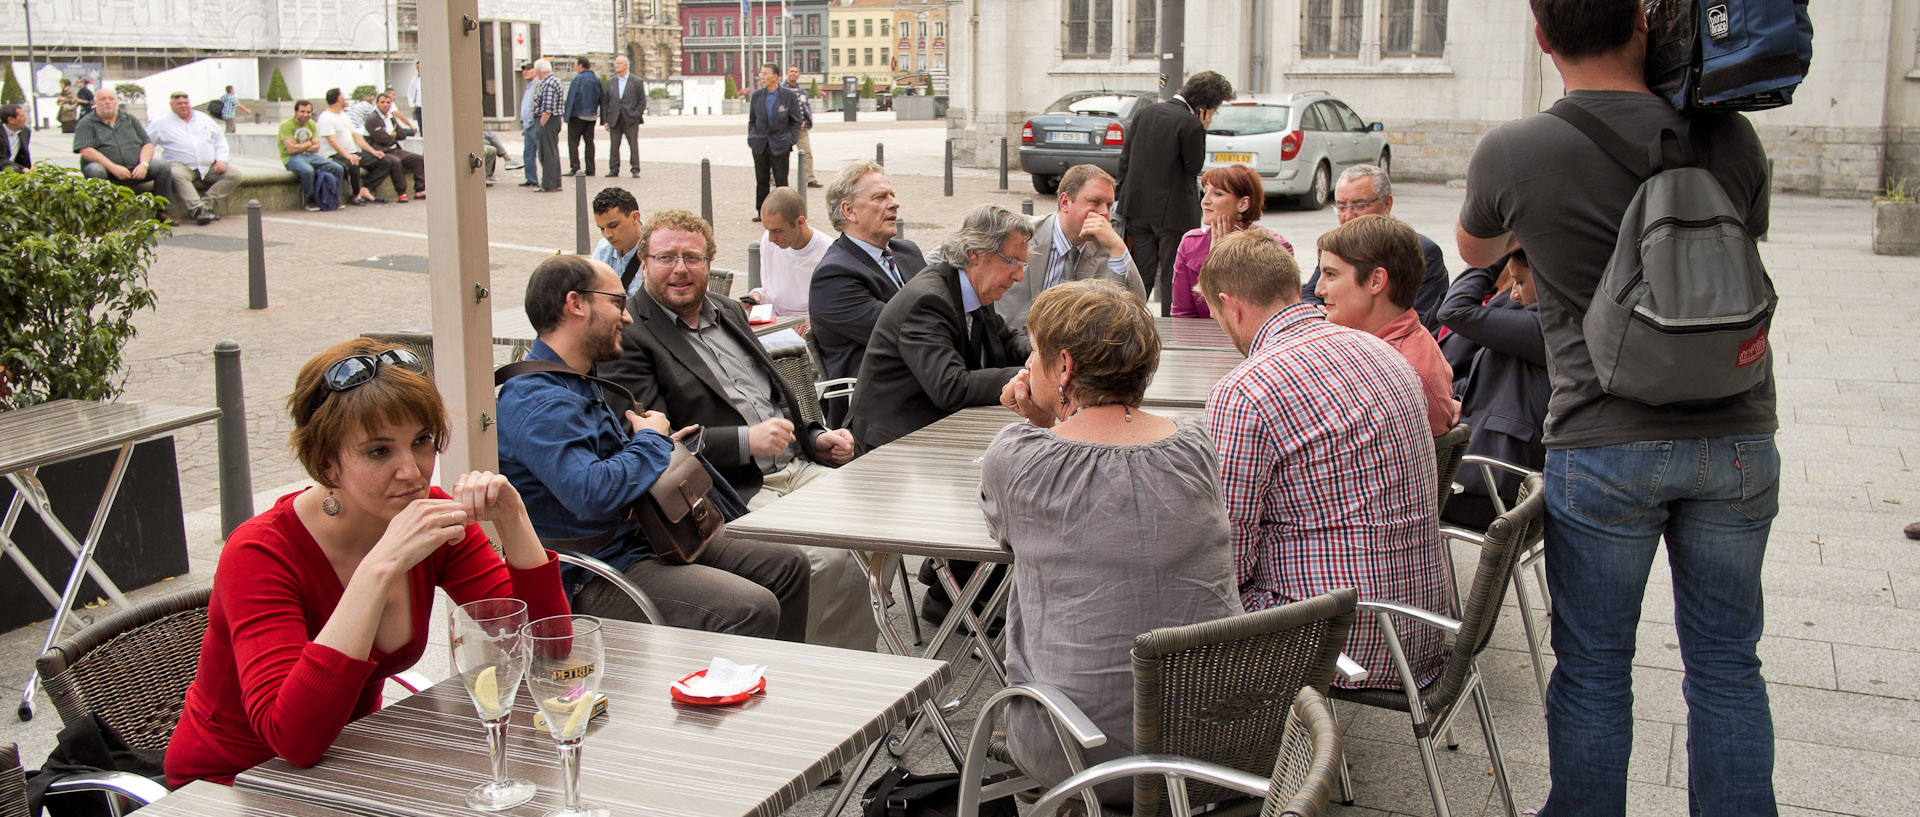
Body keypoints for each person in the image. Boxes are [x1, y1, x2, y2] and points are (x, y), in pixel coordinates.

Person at [1455, 1, 1777, 812]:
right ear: (1646, 20)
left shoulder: (1515, 150)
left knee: (1594, 664)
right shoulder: (1730, 136)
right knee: (1728, 663)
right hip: (1737, 432)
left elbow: (1476, 251)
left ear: (1542, 37)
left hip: (1603, 438)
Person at [162, 338, 569, 786]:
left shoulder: (430, 518)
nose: (412, 471)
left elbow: (547, 654)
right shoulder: (260, 552)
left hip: (350, 763)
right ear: (327, 464)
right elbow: (292, 740)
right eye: (379, 451)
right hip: (230, 786)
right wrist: (382, 566)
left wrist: (514, 519)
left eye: (422, 442)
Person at [986, 279, 1241, 803]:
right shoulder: (1195, 444)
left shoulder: (1018, 459)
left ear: (1064, 368)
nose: (1028, 366)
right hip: (1221, 738)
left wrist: (1039, 423)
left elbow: (1002, 526)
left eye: (1034, 353)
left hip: (1080, 748)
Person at [496, 254, 811, 639]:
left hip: (643, 540)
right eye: (617, 303)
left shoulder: (577, 380)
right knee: (749, 608)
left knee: (789, 564)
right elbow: (590, 493)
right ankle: (726, 689)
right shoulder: (538, 400)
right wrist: (651, 441)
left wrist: (657, 445)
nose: (627, 318)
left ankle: (778, 683)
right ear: (576, 304)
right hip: (594, 571)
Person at [598, 210, 874, 650]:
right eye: (666, 257)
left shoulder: (726, 310)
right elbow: (653, 442)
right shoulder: (630, 334)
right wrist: (747, 441)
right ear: (644, 263)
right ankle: (806, 669)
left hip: (795, 465)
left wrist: (814, 434)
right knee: (821, 558)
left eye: (692, 257)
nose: (680, 269)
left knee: (876, 531)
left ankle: (857, 665)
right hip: (727, 488)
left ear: (710, 262)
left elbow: (774, 393)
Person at [1197, 229, 1448, 689]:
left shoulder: (1245, 389)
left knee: (1171, 590)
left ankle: (1196, 749)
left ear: (1231, 306)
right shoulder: (1385, 353)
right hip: (1422, 623)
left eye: (1218, 315)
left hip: (1342, 637)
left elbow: (1226, 556)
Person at [849, 204, 1032, 453]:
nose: (1019, 276)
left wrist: (1042, 353)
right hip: (893, 445)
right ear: (976, 254)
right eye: (1012, 262)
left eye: (1023, 264)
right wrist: (1032, 375)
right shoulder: (928, 301)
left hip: (942, 431)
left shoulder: (976, 287)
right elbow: (950, 387)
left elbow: (1008, 340)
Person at [1314, 214, 1459, 436]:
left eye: (1331, 275)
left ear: (1376, 281)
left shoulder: (1395, 372)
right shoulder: (1401, 342)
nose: (1318, 290)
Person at [1436, 248, 1548, 530]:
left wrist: (1497, 249)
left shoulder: (1544, 326)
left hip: (1496, 492)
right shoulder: (1532, 317)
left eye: (1520, 282)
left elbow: (1454, 310)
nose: (1513, 293)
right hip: (1491, 482)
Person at [810, 160, 927, 425]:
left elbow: (943, 309)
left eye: (893, 195)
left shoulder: (907, 251)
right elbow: (906, 331)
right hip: (876, 410)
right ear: (849, 211)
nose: (894, 203)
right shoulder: (833, 275)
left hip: (925, 384)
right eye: (880, 197)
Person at [1116, 70, 1235, 303]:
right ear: (1205, 107)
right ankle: (1173, 328)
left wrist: (1122, 199)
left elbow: (1125, 159)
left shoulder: (1145, 112)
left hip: (1137, 208)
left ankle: (1130, 322)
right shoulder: (1191, 123)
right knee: (1173, 275)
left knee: (1142, 273)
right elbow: (1193, 166)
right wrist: (1203, 130)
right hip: (1173, 214)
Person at [1301, 164, 1452, 332]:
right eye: (1342, 207)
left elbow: (1424, 321)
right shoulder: (1335, 247)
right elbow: (1310, 295)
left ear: (1386, 204)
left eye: (1360, 205)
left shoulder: (1421, 252)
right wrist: (1322, 312)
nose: (1349, 216)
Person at [997, 164, 1144, 337]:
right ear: (1065, 202)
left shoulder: (1107, 248)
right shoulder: (1022, 236)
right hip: (1014, 349)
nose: (1104, 212)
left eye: (1109, 205)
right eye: (1095, 202)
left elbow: (1137, 307)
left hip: (1076, 358)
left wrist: (1119, 247)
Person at [1171, 164, 1294, 320]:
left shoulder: (1274, 247)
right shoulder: (1191, 243)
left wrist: (1221, 262)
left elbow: (1257, 315)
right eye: (1204, 192)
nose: (1205, 201)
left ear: (1243, 204)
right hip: (1202, 339)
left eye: (1217, 193)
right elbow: (1182, 315)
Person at [73, 87, 176, 223]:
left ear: (116, 102)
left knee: (162, 167)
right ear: (95, 102)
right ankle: (103, 214)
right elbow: (86, 150)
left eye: (111, 99)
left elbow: (147, 144)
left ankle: (161, 211)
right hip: (107, 171)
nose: (107, 102)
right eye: (103, 99)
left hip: (135, 168)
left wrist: (143, 165)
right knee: (94, 170)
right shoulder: (86, 123)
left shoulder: (129, 119)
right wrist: (113, 167)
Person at [147, 91, 246, 225]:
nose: (183, 106)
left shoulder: (203, 118)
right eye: (179, 104)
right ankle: (197, 210)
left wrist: (221, 159)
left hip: (208, 166)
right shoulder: (160, 123)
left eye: (185, 103)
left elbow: (219, 139)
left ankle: (206, 205)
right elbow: (147, 144)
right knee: (176, 174)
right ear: (171, 105)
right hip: (181, 165)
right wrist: (145, 164)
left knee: (234, 175)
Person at [742, 187, 831, 317]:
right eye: (768, 230)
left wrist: (814, 321)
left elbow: (835, 309)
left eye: (778, 231)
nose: (772, 238)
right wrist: (757, 296)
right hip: (776, 326)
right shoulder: (767, 240)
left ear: (800, 222)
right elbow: (769, 292)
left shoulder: (828, 252)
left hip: (810, 330)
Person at [746, 63, 802, 218]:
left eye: (765, 74)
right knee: (761, 180)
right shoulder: (757, 96)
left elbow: (796, 121)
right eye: (761, 73)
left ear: (775, 76)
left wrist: (790, 140)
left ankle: (783, 212)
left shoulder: (788, 96)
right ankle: (761, 211)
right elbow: (752, 120)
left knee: (781, 181)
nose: (761, 77)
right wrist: (752, 138)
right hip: (760, 144)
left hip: (780, 144)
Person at [278, 100, 344, 212]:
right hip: (291, 158)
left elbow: (316, 147)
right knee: (307, 171)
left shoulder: (311, 124)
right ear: (295, 112)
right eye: (302, 112)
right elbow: (291, 149)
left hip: (311, 156)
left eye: (308, 112)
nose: (305, 115)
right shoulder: (286, 125)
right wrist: (309, 144)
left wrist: (301, 145)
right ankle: (310, 200)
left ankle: (334, 199)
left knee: (338, 168)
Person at [317, 88, 379, 206]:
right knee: (352, 165)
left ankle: (366, 188)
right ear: (339, 99)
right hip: (334, 155)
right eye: (343, 96)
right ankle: (355, 195)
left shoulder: (344, 116)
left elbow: (356, 136)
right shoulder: (326, 117)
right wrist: (348, 156)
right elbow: (332, 141)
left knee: (383, 162)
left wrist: (373, 152)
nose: (345, 99)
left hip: (352, 152)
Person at [364, 93, 424, 201]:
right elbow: (382, 138)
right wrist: (391, 135)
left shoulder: (391, 118)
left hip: (394, 149)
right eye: (382, 102)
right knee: (395, 162)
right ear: (377, 103)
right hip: (381, 151)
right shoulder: (372, 119)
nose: (385, 105)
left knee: (418, 159)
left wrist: (393, 134)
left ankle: (420, 190)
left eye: (388, 102)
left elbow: (402, 134)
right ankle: (401, 192)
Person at [590, 186, 647, 293]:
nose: (607, 235)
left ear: (635, 217)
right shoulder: (603, 249)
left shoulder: (658, 250)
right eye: (602, 228)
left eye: (613, 226)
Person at [600, 55, 646, 178]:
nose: (616, 66)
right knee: (614, 145)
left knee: (633, 144)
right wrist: (605, 120)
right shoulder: (611, 82)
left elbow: (642, 101)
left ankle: (635, 169)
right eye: (616, 63)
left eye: (619, 63)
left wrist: (636, 115)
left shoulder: (636, 82)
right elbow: (606, 102)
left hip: (630, 118)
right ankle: (613, 169)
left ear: (626, 65)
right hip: (615, 118)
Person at [530, 59, 566, 192]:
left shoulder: (548, 83)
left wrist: (541, 125)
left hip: (548, 121)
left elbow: (548, 107)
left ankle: (548, 183)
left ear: (539, 71)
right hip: (552, 120)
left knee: (547, 152)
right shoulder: (554, 81)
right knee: (552, 151)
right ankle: (556, 182)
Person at [783, 65, 821, 189]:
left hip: (801, 129)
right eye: (791, 71)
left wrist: (805, 121)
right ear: (787, 73)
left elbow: (806, 109)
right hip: (785, 129)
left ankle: (810, 179)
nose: (794, 74)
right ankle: (777, 177)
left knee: (807, 153)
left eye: (796, 72)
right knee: (780, 154)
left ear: (799, 74)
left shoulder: (802, 92)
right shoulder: (781, 90)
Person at [565, 57, 602, 177]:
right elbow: (602, 97)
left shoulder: (578, 79)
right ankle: (591, 168)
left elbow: (571, 97)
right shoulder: (596, 79)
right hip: (591, 116)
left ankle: (575, 167)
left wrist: (567, 116)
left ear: (581, 65)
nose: (574, 67)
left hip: (578, 115)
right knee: (589, 142)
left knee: (573, 142)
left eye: (575, 65)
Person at [518, 63, 540, 187]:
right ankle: (531, 179)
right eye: (524, 70)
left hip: (534, 124)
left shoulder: (538, 84)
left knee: (541, 153)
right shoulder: (528, 86)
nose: (525, 72)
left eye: (528, 69)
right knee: (528, 154)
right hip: (527, 126)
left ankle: (548, 179)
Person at [1, 104, 30, 172]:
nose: (25, 118)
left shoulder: (25, 132)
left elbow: (22, 156)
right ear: (10, 120)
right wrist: (21, 168)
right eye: (22, 116)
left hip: (16, 169)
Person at [408, 61, 423, 134]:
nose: (419, 69)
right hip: (418, 106)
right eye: (417, 67)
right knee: (421, 126)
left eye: (420, 67)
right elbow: (410, 92)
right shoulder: (414, 80)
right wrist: (412, 104)